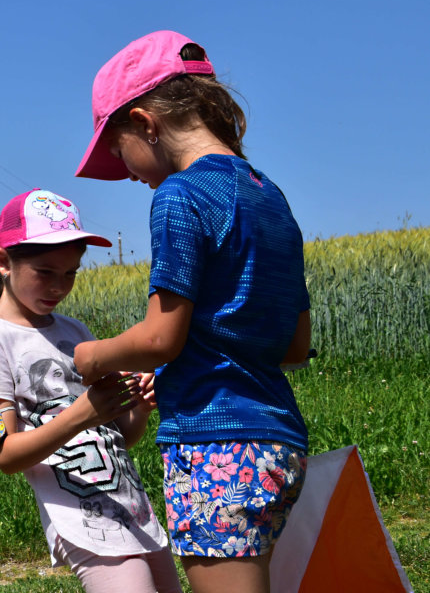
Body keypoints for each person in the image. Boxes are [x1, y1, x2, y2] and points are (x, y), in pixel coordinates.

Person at [71, 30, 312, 593]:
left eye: (119, 151)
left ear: (145, 123)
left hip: (216, 448)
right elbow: (296, 344)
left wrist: (92, 355)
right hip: (280, 445)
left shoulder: (179, 196)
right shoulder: (269, 195)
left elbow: (161, 338)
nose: (127, 171)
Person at [0, 188, 183, 593]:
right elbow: (6, 455)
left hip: (132, 507)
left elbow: (122, 436)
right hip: (82, 520)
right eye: (45, 272)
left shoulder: (75, 331)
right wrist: (82, 414)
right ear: (4, 262)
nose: (58, 287)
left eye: (70, 273)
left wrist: (139, 406)